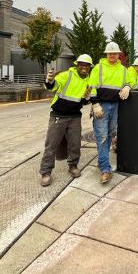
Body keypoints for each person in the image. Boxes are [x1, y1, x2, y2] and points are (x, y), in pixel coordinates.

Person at [39, 54, 96, 186]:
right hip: (58, 116)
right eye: (81, 64)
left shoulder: (89, 81)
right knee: (51, 145)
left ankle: (73, 165)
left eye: (87, 65)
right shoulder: (67, 75)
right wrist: (49, 81)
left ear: (89, 67)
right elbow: (53, 85)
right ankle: (46, 172)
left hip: (75, 116)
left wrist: (86, 99)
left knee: (75, 144)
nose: (84, 67)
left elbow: (83, 102)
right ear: (77, 65)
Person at [89, 42, 137, 184]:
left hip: (115, 105)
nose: (112, 55)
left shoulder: (123, 70)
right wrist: (95, 104)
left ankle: (101, 160)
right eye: (110, 53)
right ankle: (106, 168)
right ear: (107, 54)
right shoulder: (99, 68)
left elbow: (131, 81)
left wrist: (127, 87)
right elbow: (91, 86)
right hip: (101, 105)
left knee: (110, 133)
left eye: (114, 53)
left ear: (118, 55)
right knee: (102, 136)